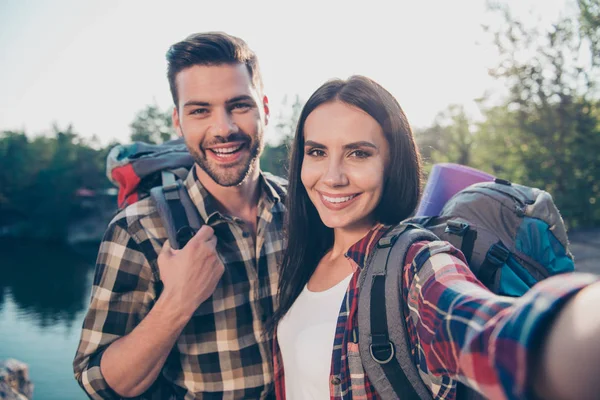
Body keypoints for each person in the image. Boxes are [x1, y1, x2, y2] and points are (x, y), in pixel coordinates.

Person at [269, 75, 600, 400]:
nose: (333, 177)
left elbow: (489, 331)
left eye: (358, 153)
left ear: (392, 163)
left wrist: (570, 330)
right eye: (317, 152)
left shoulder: (415, 261)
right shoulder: (304, 256)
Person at [73, 32, 286, 399]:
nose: (223, 129)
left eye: (238, 105)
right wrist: (179, 301)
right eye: (200, 110)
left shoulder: (304, 208)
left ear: (264, 110)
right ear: (178, 121)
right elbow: (100, 383)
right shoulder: (138, 229)